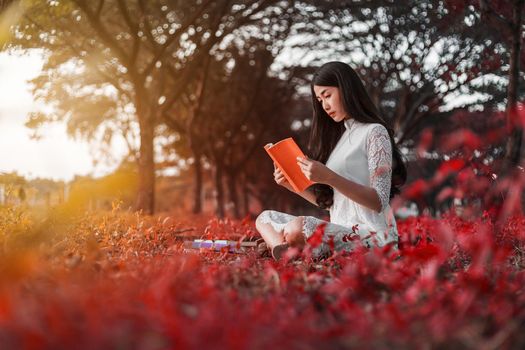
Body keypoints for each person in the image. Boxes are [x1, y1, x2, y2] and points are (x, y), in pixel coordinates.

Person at [255, 61, 407, 260]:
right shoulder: (339, 139)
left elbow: (378, 201)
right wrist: (290, 185)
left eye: (327, 95)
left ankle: (289, 248)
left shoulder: (374, 132)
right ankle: (282, 249)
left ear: (346, 89)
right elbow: (333, 204)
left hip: (370, 236)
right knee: (265, 218)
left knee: (298, 227)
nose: (325, 106)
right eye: (319, 100)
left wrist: (329, 177)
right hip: (339, 230)